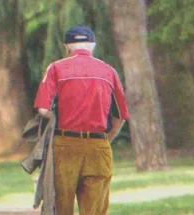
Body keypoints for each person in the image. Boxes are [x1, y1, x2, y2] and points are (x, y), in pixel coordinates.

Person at [34, 25, 129, 215]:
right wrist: (106, 139)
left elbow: (43, 109)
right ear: (92, 46)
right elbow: (121, 115)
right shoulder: (109, 71)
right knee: (95, 208)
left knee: (62, 202)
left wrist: (58, 117)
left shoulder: (55, 68)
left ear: (67, 47)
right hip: (98, 145)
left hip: (65, 145)